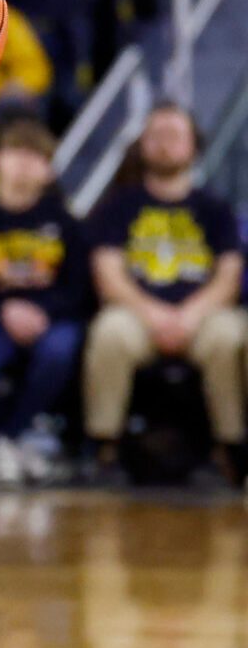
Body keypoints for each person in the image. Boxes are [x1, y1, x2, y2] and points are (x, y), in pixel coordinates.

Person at [82, 104, 245, 471]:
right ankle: (102, 445)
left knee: (229, 337)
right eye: (155, 136)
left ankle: (231, 447)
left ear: (193, 146)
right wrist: (154, 314)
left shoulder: (215, 208)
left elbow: (228, 276)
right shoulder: (118, 205)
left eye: (174, 135)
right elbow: (108, 275)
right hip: (137, 315)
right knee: (110, 332)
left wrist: (188, 316)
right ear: (141, 146)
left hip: (203, 316)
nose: (164, 144)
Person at [0, 119, 85, 483]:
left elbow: (78, 287)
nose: (24, 163)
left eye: (36, 155)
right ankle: (5, 438)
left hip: (52, 318)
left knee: (59, 354)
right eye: (15, 152)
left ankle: (7, 438)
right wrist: (4, 309)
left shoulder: (66, 221)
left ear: (48, 168)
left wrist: (43, 312)